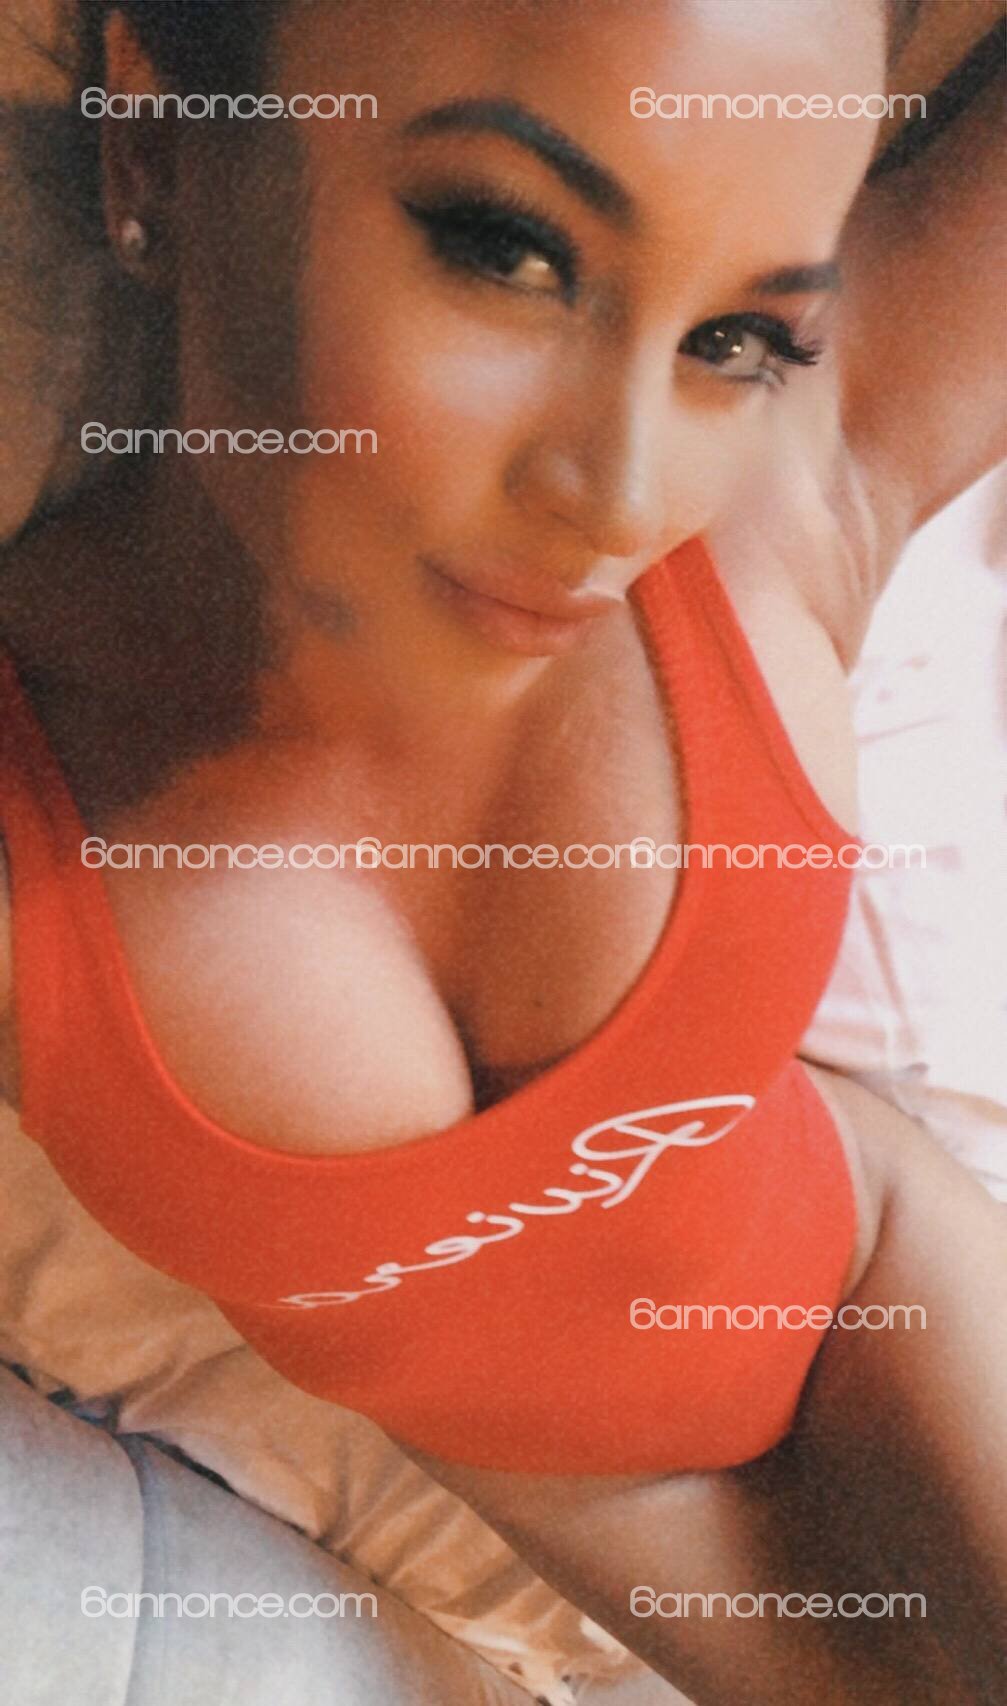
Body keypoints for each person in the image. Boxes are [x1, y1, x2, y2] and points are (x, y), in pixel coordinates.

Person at [0, 1, 1004, 1699]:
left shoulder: (789, 489)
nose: (621, 496)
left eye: (738, 335)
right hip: (604, 1515)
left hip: (870, 1305)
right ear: (155, 137)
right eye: (508, 249)